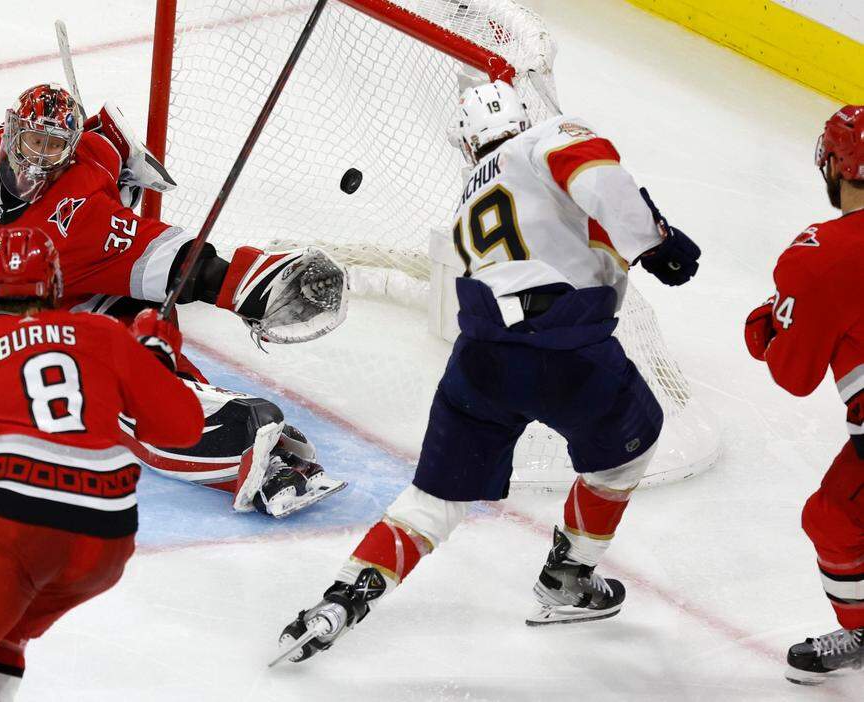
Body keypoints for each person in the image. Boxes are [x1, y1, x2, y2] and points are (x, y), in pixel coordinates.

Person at [274, 80, 701, 662]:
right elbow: (599, 177)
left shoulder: (469, 197)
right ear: (524, 116)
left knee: (433, 499)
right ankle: (569, 575)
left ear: (467, 143)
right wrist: (655, 241)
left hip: (478, 361)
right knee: (631, 444)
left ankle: (341, 600)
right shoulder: (543, 138)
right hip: (565, 351)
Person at [0, 83, 348, 518]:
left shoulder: (80, 217)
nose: (37, 157)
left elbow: (178, 262)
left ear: (70, 152)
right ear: (11, 131)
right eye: (32, 140)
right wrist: (115, 149)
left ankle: (238, 442)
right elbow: (107, 139)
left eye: (53, 147)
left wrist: (249, 286)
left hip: (88, 290)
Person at [0, 228, 204, 701]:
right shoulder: (105, 334)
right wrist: (157, 359)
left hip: (15, 521)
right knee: (2, 632)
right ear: (55, 286)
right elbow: (181, 429)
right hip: (106, 540)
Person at [745, 105, 864, 685]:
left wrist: (768, 326)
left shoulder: (821, 254)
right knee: (838, 516)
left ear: (835, 169)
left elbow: (794, 375)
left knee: (834, 522)